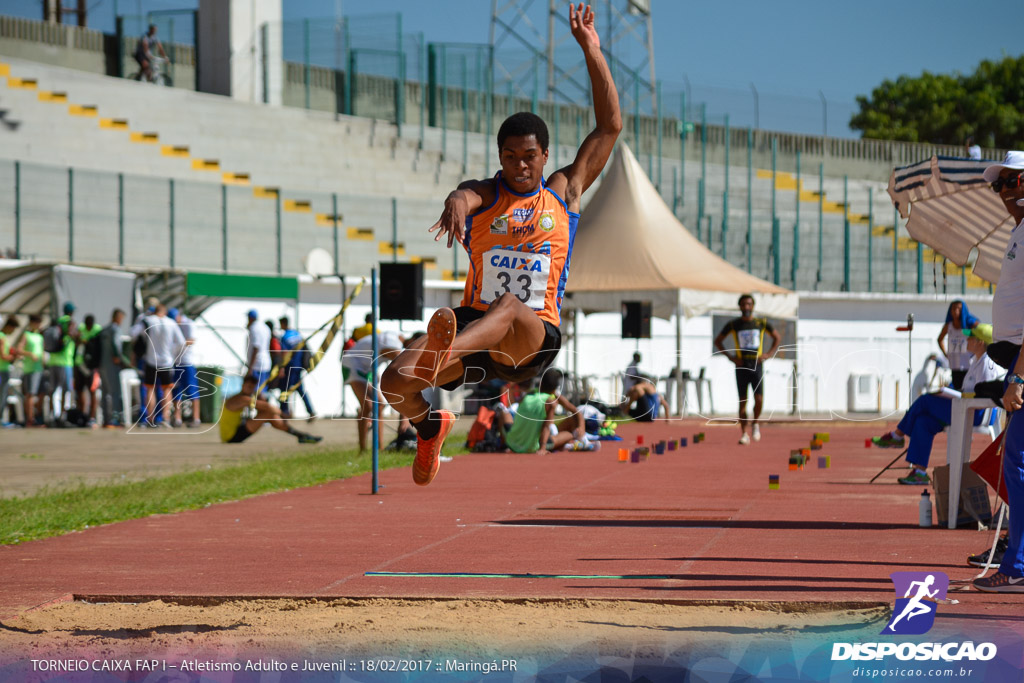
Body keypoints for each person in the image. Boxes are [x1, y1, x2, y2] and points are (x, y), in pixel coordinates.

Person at [380, 3, 621, 486]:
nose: (519, 166)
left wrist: (592, 51)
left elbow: (609, 126)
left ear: (544, 155)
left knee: (510, 303)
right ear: (500, 157)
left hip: (532, 338)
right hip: (475, 335)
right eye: (509, 157)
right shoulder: (488, 193)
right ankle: (431, 427)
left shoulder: (563, 193)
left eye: (528, 156)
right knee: (393, 383)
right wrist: (455, 200)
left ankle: (439, 355)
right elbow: (467, 194)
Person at [974, 150, 1024, 593]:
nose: (1006, 191)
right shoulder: (1020, 231)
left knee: (1019, 461)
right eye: (1000, 185)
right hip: (1015, 359)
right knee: (1016, 461)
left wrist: (1019, 378)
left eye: (1014, 181)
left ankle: (1019, 564)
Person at [873, 324, 1003, 484]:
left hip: (975, 414)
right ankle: (919, 472)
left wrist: (958, 396)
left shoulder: (987, 364)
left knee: (925, 400)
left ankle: (898, 435)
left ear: (980, 342)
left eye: (970, 337)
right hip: (964, 408)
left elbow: (986, 395)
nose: (966, 340)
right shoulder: (976, 360)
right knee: (923, 422)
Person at [714, 294, 782, 445]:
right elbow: (717, 341)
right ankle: (744, 433)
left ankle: (755, 423)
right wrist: (730, 357)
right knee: (742, 402)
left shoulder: (761, 323)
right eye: (743, 304)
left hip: (756, 365)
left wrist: (768, 354)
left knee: (759, 399)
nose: (746, 307)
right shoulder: (734, 325)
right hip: (741, 365)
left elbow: (777, 337)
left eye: (749, 304)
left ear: (753, 306)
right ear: (739, 306)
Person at [499, 368, 592, 454]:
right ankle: (580, 440)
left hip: (512, 443)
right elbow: (546, 426)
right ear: (555, 389)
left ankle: (503, 445)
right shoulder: (551, 402)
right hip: (531, 447)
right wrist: (542, 449)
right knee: (568, 435)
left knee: (503, 413)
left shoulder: (529, 394)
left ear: (540, 383)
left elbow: (517, 409)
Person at [343, 330, 404, 453]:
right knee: (368, 405)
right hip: (352, 365)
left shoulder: (393, 340)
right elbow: (401, 367)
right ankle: (363, 448)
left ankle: (379, 447)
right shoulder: (393, 343)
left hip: (366, 368)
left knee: (379, 405)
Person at [219, 374, 322, 445]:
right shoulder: (241, 399)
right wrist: (284, 414)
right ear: (243, 386)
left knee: (269, 415)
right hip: (231, 437)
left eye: (252, 388)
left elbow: (262, 407)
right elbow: (267, 407)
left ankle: (300, 435)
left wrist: (259, 396)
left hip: (233, 432)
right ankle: (300, 435)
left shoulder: (239, 397)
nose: (250, 390)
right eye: (248, 387)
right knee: (268, 413)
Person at [131, 304, 185, 428]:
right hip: (167, 361)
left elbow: (132, 332)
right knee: (167, 389)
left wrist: (142, 341)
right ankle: (165, 418)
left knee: (150, 389)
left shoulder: (148, 321)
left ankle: (150, 418)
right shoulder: (171, 323)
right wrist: (173, 354)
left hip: (151, 360)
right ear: (164, 312)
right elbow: (181, 342)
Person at [278, 316, 316, 421]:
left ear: (282, 324)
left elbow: (284, 353)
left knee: (285, 390)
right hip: (298, 366)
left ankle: (284, 412)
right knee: (300, 389)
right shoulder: (297, 334)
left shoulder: (285, 337)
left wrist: (281, 368)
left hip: (289, 367)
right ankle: (310, 410)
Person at [46, 302, 79, 424]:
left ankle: (51, 415)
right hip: (65, 361)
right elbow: (73, 335)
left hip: (52, 360)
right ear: (71, 312)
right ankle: (63, 417)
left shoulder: (56, 322)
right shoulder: (70, 322)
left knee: (52, 390)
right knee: (66, 390)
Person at [937, 300, 979, 390]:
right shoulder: (948, 326)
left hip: (968, 364)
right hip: (955, 364)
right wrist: (945, 354)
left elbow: (980, 331)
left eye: (958, 309)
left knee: (968, 389)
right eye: (953, 309)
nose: (955, 311)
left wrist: (976, 353)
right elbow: (939, 339)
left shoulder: (969, 324)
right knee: (957, 389)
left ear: (963, 311)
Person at [170, 308, 201, 428]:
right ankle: (177, 418)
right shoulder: (173, 325)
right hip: (176, 362)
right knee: (176, 391)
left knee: (192, 391)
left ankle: (196, 418)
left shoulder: (188, 324)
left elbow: (191, 340)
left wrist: (178, 344)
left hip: (187, 362)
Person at [98, 308, 130, 428]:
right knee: (115, 392)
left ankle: (106, 419)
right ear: (118, 317)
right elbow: (116, 344)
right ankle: (115, 418)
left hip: (102, 364)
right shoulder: (115, 329)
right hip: (112, 364)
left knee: (105, 392)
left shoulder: (104, 330)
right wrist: (118, 357)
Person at [16, 314, 45, 428]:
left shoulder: (40, 336)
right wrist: (30, 354)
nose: (38, 325)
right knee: (30, 394)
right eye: (36, 322)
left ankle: (37, 416)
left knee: (41, 394)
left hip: (39, 369)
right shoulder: (26, 335)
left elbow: (42, 350)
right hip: (30, 369)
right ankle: (30, 419)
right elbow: (19, 349)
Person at [74, 314, 103, 426]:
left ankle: (92, 417)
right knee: (79, 390)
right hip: (79, 363)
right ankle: (82, 414)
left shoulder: (97, 330)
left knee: (92, 391)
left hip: (91, 366)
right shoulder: (81, 329)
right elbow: (77, 343)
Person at [245, 310, 273, 398]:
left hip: (257, 364)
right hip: (266, 362)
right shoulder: (265, 327)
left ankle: (261, 409)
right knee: (261, 390)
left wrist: (250, 367)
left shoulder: (254, 328)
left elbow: (256, 348)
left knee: (255, 391)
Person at [0, 316, 20, 426]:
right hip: (2, 370)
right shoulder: (2, 338)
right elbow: (3, 355)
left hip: (2, 370)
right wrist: (14, 356)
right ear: (9, 326)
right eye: (13, 329)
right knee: (2, 395)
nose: (13, 332)